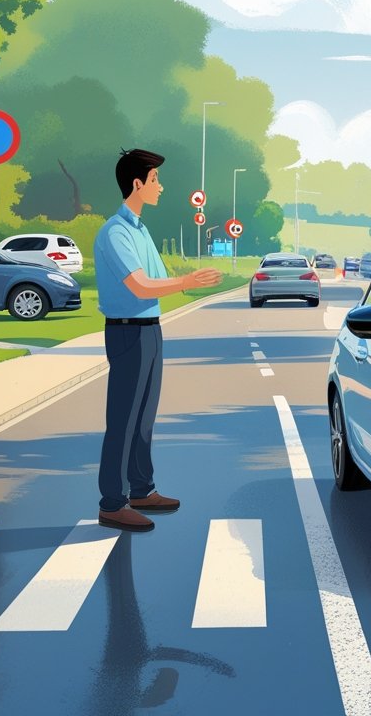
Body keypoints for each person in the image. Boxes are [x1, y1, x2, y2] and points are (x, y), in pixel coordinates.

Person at [93, 148, 220, 531]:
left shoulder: (141, 230)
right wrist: (186, 281)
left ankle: (141, 489)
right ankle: (112, 503)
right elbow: (141, 285)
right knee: (123, 419)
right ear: (137, 184)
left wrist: (181, 282)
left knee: (144, 417)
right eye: (155, 180)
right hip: (127, 331)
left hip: (150, 328)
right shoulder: (115, 232)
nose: (160, 187)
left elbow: (156, 280)